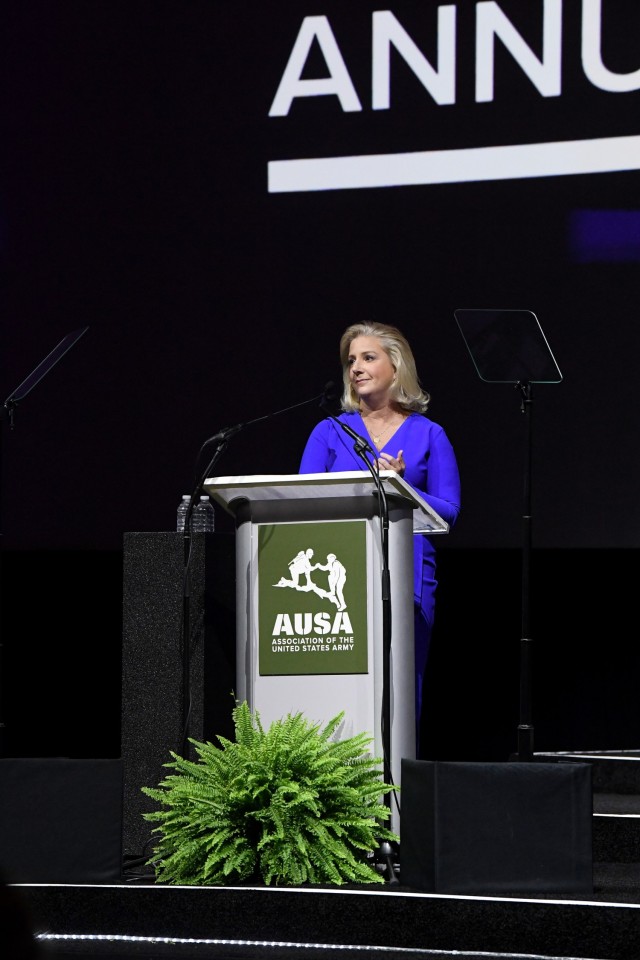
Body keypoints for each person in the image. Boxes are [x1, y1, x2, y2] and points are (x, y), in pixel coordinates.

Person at [299, 321, 461, 741]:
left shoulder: (429, 434)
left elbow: (449, 511)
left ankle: (397, 793)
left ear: (396, 367)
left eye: (368, 357)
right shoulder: (329, 431)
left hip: (407, 573)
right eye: (350, 360)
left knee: (401, 686)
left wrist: (401, 488)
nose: (356, 367)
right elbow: (302, 498)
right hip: (339, 576)